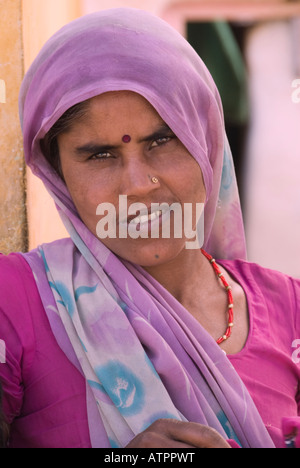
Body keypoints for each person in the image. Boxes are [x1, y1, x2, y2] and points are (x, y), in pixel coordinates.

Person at [0, 8, 299, 449]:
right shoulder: (16, 301)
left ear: (207, 140)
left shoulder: (290, 310)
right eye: (99, 155)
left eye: (163, 140)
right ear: (58, 172)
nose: (138, 186)